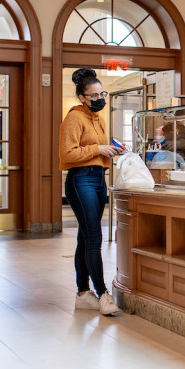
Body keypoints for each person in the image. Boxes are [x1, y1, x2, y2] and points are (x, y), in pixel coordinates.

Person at [59, 68, 122, 316]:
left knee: (85, 238)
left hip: (98, 179)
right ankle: (103, 293)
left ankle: (83, 294)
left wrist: (112, 148)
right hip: (80, 180)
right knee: (94, 238)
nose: (99, 99)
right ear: (82, 97)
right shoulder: (74, 118)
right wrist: (99, 149)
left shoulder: (99, 119)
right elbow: (68, 153)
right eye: (94, 95)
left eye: (101, 93)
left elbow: (97, 148)